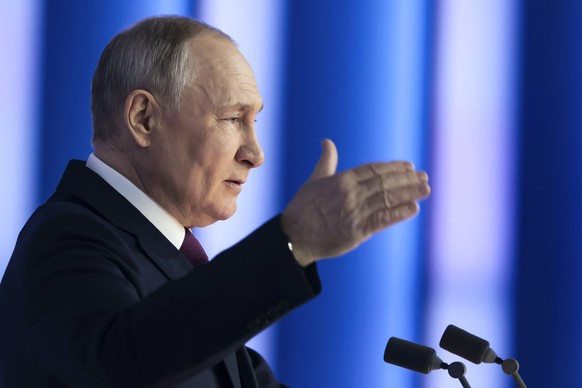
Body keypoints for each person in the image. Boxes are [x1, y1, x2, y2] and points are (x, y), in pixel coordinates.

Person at [0, 16, 430, 388]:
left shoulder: (174, 265)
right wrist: (294, 241)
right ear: (143, 119)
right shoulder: (67, 237)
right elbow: (128, 366)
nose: (256, 154)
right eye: (232, 119)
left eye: (254, 121)